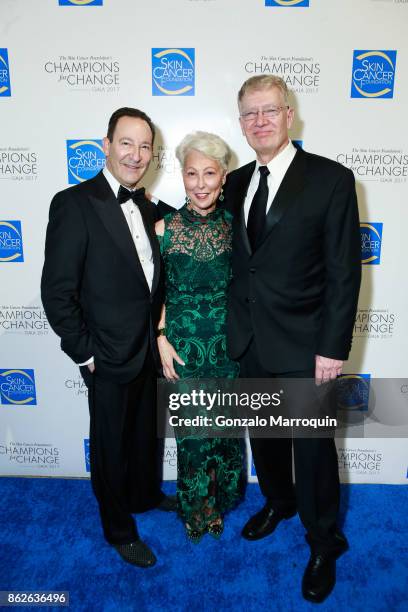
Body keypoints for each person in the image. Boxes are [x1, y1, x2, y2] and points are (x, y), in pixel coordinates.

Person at [224, 76, 361, 603]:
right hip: (250, 340)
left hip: (307, 343)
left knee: (314, 450)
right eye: (249, 114)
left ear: (289, 115)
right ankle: (279, 503)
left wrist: (333, 346)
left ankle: (325, 539)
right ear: (240, 124)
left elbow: (344, 272)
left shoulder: (330, 179)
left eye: (269, 111)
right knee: (266, 437)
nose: (259, 121)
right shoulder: (234, 182)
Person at [41, 107, 175, 568]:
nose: (136, 155)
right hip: (105, 353)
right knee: (110, 444)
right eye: (126, 143)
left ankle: (143, 494)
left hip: (147, 351)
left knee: (143, 433)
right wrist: (85, 352)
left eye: (144, 146)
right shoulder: (73, 203)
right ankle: (118, 527)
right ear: (106, 145)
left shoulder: (155, 208)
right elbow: (57, 292)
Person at [155, 131, 243, 543]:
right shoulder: (163, 228)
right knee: (191, 435)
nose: (201, 183)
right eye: (193, 173)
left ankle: (218, 504)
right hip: (183, 347)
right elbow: (156, 292)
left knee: (223, 433)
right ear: (183, 176)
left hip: (227, 347)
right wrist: (160, 336)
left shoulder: (237, 226)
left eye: (210, 173)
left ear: (223, 176)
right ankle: (195, 509)